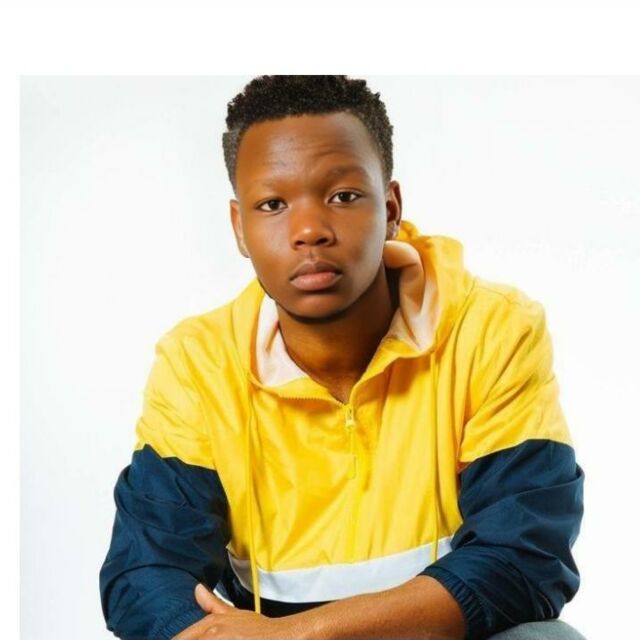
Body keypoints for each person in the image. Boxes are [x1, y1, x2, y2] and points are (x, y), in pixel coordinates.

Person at [99, 75, 586, 640]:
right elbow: (147, 574)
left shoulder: (491, 329)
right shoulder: (198, 363)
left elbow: (525, 558)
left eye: (343, 197)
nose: (309, 230)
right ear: (240, 228)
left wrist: (297, 635)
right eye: (273, 204)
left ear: (391, 207)